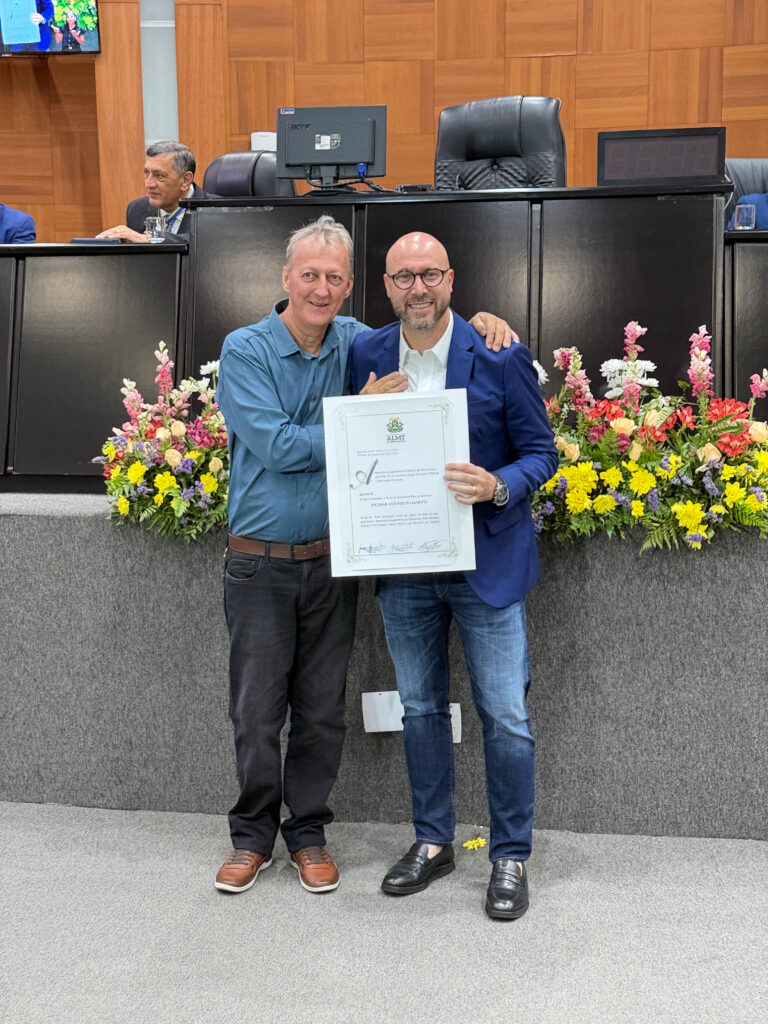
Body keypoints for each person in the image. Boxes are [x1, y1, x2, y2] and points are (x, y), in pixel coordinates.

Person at [213, 215, 517, 897]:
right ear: (286, 277)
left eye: (333, 277)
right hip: (259, 563)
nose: (320, 289)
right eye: (309, 275)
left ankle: (308, 834)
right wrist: (354, 411)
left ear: (351, 286)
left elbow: (426, 320)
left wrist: (483, 323)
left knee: (323, 711)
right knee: (256, 712)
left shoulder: (356, 340)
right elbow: (280, 448)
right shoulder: (245, 349)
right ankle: (251, 837)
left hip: (334, 563)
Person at [348, 232, 558, 920]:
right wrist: (364, 414)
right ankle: (434, 840)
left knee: (506, 714)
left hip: (486, 565)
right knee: (419, 708)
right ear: (387, 286)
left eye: (429, 274)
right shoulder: (366, 354)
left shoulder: (499, 352)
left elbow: (541, 453)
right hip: (405, 565)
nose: (418, 288)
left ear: (451, 279)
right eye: (404, 276)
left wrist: (498, 486)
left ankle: (509, 854)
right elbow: (351, 456)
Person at [96, 141, 205, 243]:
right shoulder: (137, 209)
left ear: (185, 180)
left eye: (160, 175)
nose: (149, 184)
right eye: (146, 173)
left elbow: (199, 242)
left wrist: (148, 239)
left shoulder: (212, 212)